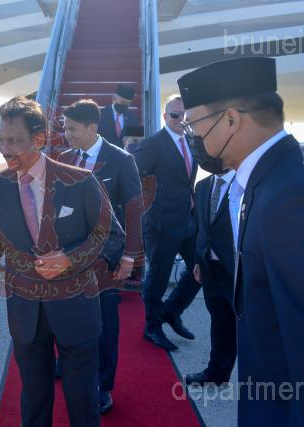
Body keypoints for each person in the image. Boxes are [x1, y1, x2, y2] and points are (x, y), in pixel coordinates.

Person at [177, 56, 304, 426]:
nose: (191, 135)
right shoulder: (275, 176)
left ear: (231, 119)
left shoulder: (296, 198)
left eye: (193, 123)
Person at [0, 96, 125, 426]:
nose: (4, 149)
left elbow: (112, 236)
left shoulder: (81, 181)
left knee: (82, 401)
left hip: (77, 310)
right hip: (24, 313)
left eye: (13, 141)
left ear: (39, 139)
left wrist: (69, 260)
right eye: (1, 140)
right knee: (34, 398)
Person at [58, 99, 143, 414]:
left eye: (72, 129)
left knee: (105, 323)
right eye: (65, 128)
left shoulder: (120, 160)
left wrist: (130, 256)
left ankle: (102, 384)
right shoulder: (65, 158)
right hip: (68, 255)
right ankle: (67, 363)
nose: (67, 135)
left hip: (105, 257)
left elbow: (134, 210)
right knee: (67, 314)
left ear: (92, 128)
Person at [133, 94, 201, 352]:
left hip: (188, 219)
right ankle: (152, 327)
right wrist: (150, 208)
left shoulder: (192, 142)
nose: (180, 119)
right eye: (175, 115)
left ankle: (171, 311)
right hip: (161, 222)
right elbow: (133, 177)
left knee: (201, 269)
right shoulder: (153, 144)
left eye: (185, 115)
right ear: (165, 116)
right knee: (158, 277)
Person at [187, 169, 236, 386]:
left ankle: (263, 382)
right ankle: (216, 374)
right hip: (210, 268)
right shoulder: (203, 186)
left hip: (238, 270)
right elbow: (201, 227)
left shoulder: (245, 185)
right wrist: (198, 260)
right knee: (219, 322)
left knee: (248, 328)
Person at [97, 83, 139, 149]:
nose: (125, 105)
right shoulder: (100, 115)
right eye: (123, 102)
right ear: (114, 98)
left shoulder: (134, 119)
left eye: (128, 103)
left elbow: (136, 142)